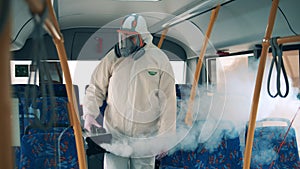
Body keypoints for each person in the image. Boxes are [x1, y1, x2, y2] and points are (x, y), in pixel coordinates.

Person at [83, 13, 176, 169]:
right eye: (123, 36)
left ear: (143, 37)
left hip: (146, 137)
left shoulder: (159, 59)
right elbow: (95, 87)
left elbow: (168, 101)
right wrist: (89, 114)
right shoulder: (114, 57)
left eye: (131, 37)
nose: (125, 41)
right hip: (115, 134)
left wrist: (165, 137)